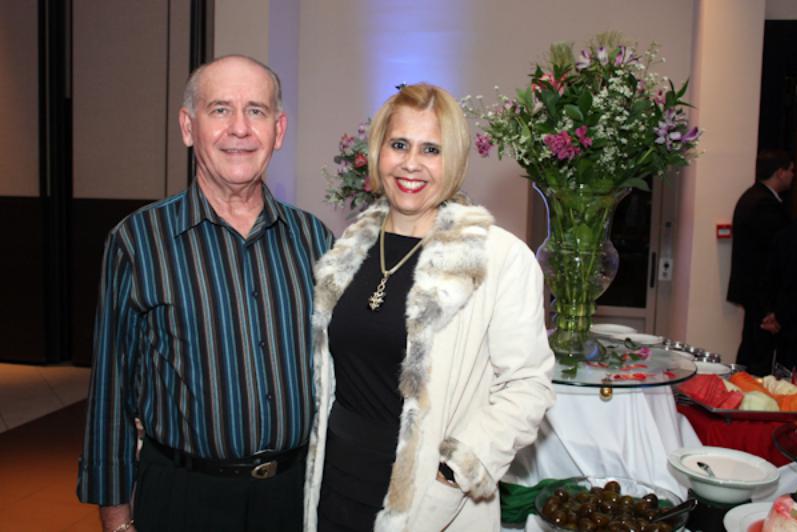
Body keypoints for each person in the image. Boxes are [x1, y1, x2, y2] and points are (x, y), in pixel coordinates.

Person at [77, 55, 333, 532]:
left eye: (256, 111)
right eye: (219, 109)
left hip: (294, 499)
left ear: (278, 131)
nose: (240, 128)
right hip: (184, 499)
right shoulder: (138, 241)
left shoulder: (315, 240)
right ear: (187, 127)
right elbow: (111, 393)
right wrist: (117, 521)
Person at [303, 83, 556, 532]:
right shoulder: (348, 250)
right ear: (378, 151)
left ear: (454, 160)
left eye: (431, 149)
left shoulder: (497, 257)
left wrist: (455, 470)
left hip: (430, 502)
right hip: (336, 488)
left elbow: (527, 386)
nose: (411, 163)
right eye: (399, 144)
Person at [727, 149, 794, 376]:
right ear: (780, 172)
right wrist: (771, 306)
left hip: (753, 290)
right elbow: (770, 258)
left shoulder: (752, 197)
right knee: (758, 355)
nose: (793, 176)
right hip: (760, 293)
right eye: (791, 170)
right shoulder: (764, 205)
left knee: (752, 348)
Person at [761, 219, 797, 372]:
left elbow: (770, 282)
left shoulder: (785, 235)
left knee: (786, 379)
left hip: (787, 326)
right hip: (788, 325)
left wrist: (773, 313)